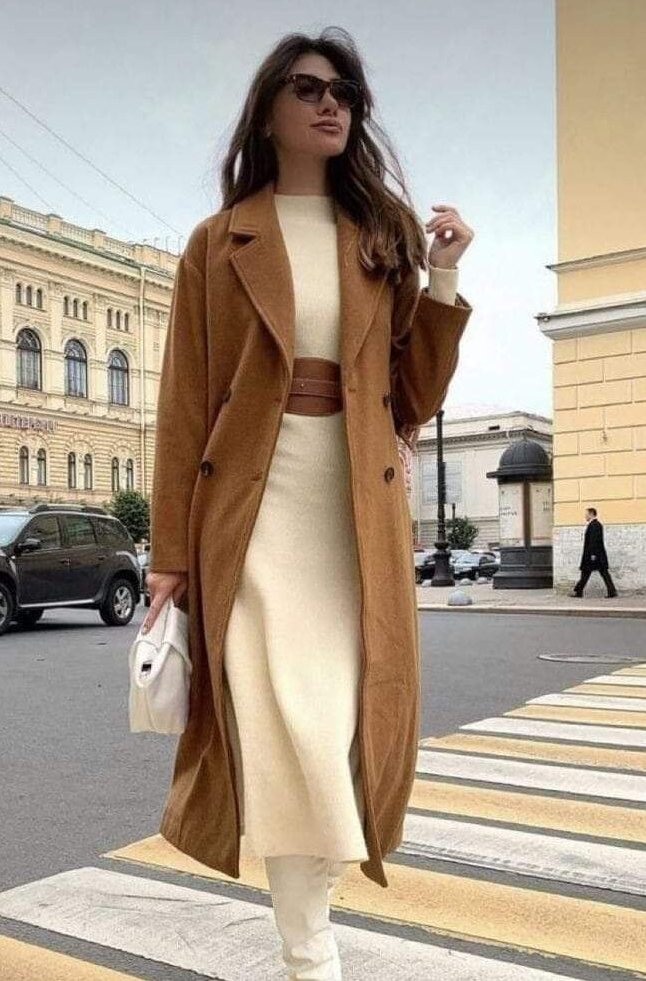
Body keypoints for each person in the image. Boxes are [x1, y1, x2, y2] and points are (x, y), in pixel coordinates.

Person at [142, 27, 473, 980]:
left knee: (330, 734)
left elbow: (412, 397)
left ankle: (307, 929)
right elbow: (182, 406)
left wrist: (441, 276)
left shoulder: (379, 237)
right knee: (285, 728)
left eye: (345, 93)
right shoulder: (219, 243)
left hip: (350, 517)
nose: (332, 104)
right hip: (247, 516)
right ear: (271, 108)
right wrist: (170, 551)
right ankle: (310, 954)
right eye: (309, 88)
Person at [569, 506, 618, 598]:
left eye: (586, 514)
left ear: (591, 514)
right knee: (592, 573)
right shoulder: (594, 524)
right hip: (596, 555)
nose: (585, 516)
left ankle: (578, 592)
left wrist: (593, 554)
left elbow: (594, 541)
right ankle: (611, 591)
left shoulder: (595, 525)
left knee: (592, 573)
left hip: (594, 555)